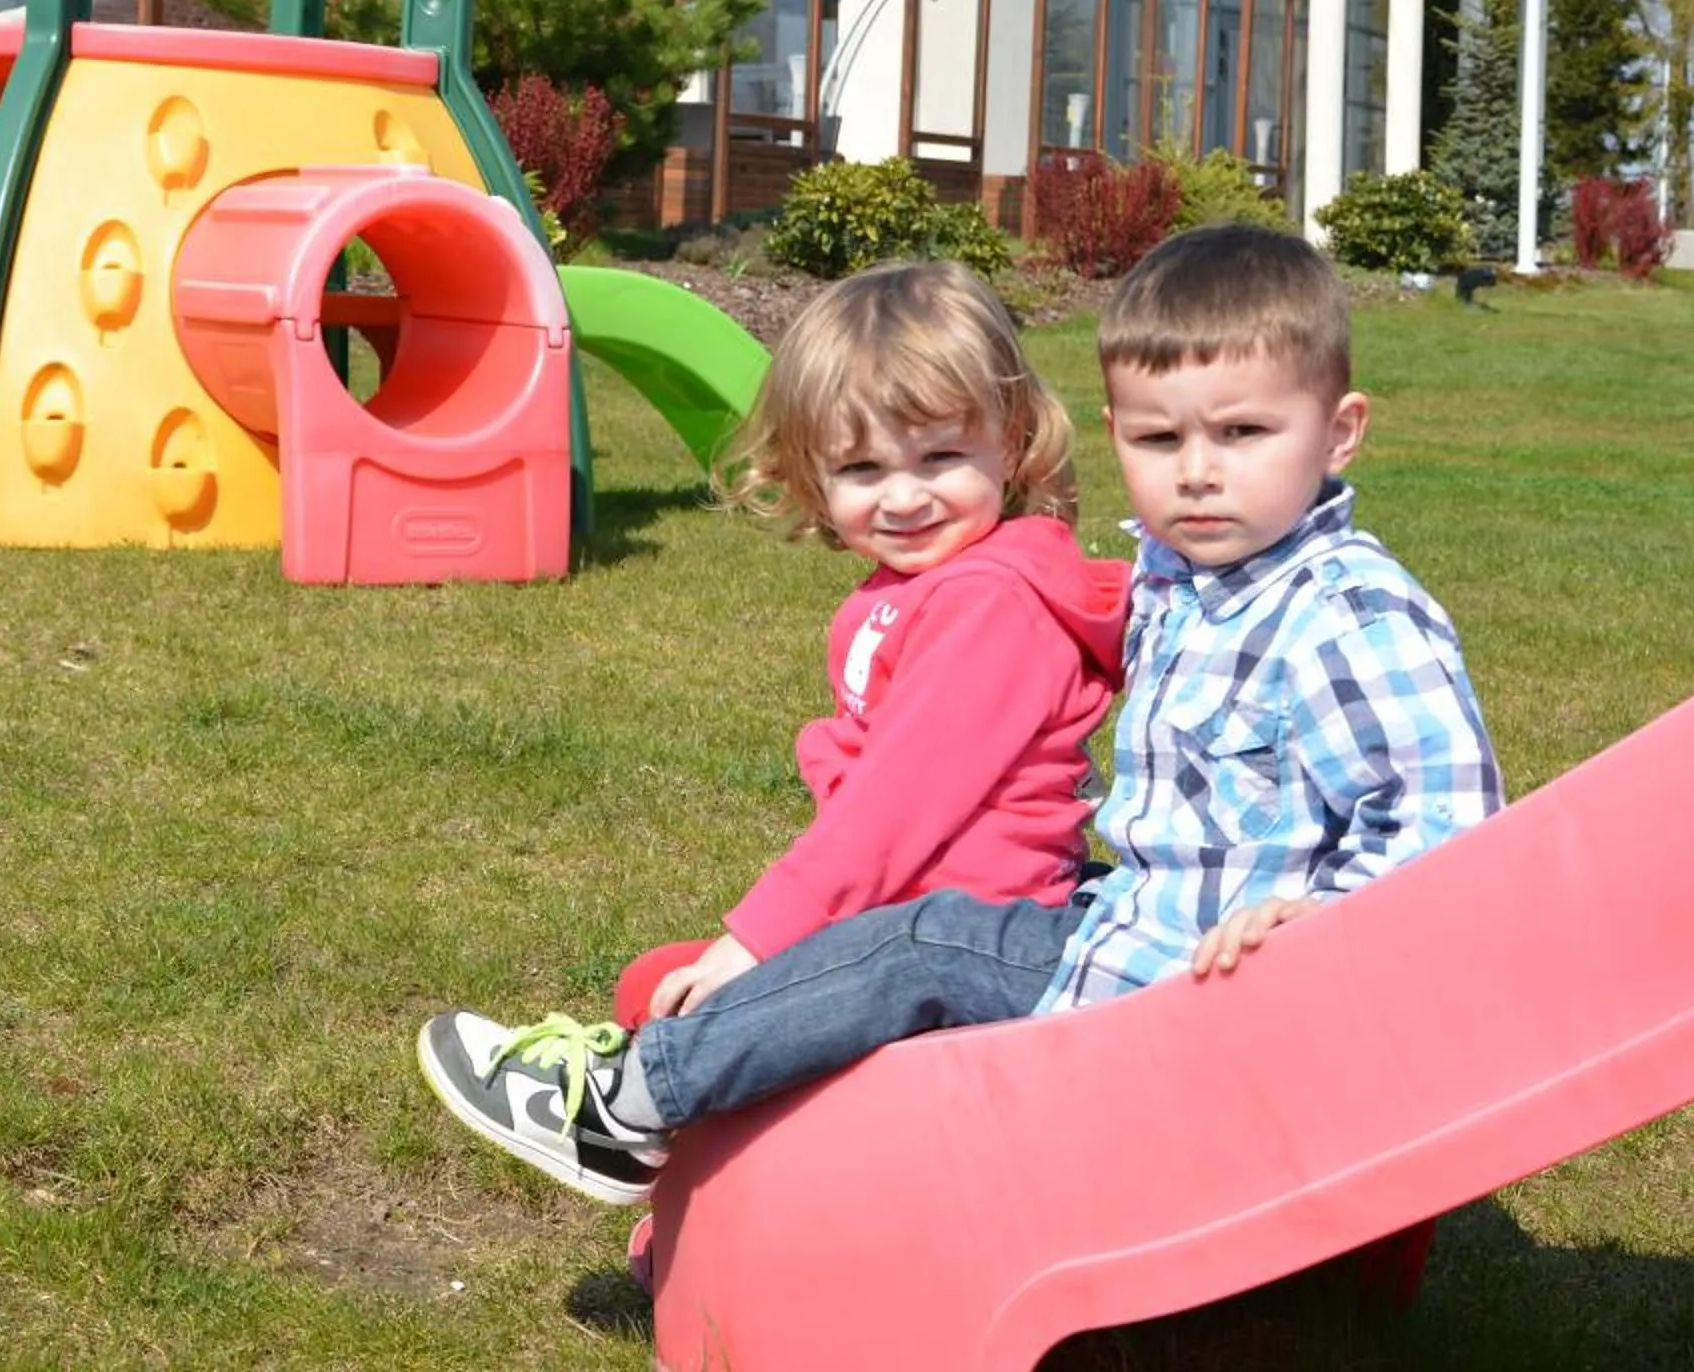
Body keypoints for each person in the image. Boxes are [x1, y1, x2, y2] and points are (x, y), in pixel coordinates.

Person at [417, 221, 1504, 1209]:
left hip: (1200, 1003)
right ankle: (724, 1200)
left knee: (926, 942)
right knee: (903, 941)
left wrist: (1325, 923)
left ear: (1341, 428)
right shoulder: (1188, 578)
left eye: (1244, 432)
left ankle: (622, 1108)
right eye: (1160, 441)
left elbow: (1449, 836)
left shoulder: (1348, 614)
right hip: (1134, 930)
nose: (1199, 475)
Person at [605, 258, 1128, 1032]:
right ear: (813, 478)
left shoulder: (992, 606)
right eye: (861, 468)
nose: (905, 496)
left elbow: (896, 805)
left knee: (679, 1006)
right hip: (896, 910)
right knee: (655, 986)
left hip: (951, 940)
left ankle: (641, 1116)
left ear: (1010, 445)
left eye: (940, 457)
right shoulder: (921, 586)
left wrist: (760, 937)